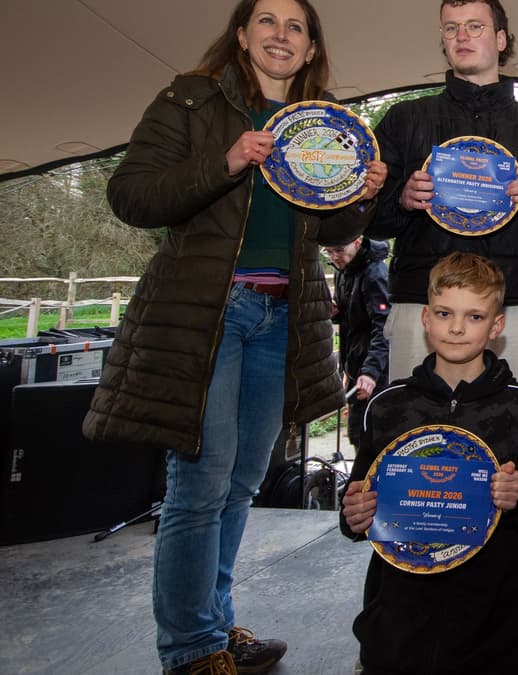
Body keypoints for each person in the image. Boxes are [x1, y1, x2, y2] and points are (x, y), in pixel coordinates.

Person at [82, 0, 386, 672]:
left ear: (310, 48)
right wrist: (224, 162)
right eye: (268, 22)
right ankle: (191, 647)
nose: (282, 34)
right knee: (201, 481)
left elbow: (333, 234)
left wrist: (360, 195)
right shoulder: (191, 100)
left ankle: (215, 627)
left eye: (296, 26)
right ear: (243, 34)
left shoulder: (321, 121)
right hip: (210, 314)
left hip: (285, 318)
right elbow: (130, 195)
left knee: (244, 478)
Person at [340, 252, 518, 674]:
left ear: (496, 327)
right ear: (425, 318)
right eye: (444, 313)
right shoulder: (387, 406)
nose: (457, 327)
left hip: (495, 627)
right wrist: (354, 514)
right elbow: (356, 507)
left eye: (474, 317)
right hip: (399, 623)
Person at [367, 0, 518, 393]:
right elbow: (367, 217)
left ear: (501, 39)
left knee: (515, 431)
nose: (461, 36)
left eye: (474, 27)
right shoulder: (403, 120)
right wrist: (401, 198)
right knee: (413, 433)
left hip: (515, 302)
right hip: (421, 299)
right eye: (450, 29)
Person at [326, 236, 391, 452]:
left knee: (370, 437)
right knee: (357, 434)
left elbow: (383, 326)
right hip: (355, 365)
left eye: (338, 250)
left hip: (374, 369)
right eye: (328, 252)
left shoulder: (374, 273)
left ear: (356, 241)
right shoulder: (342, 270)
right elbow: (355, 315)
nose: (335, 257)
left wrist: (371, 372)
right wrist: (338, 313)